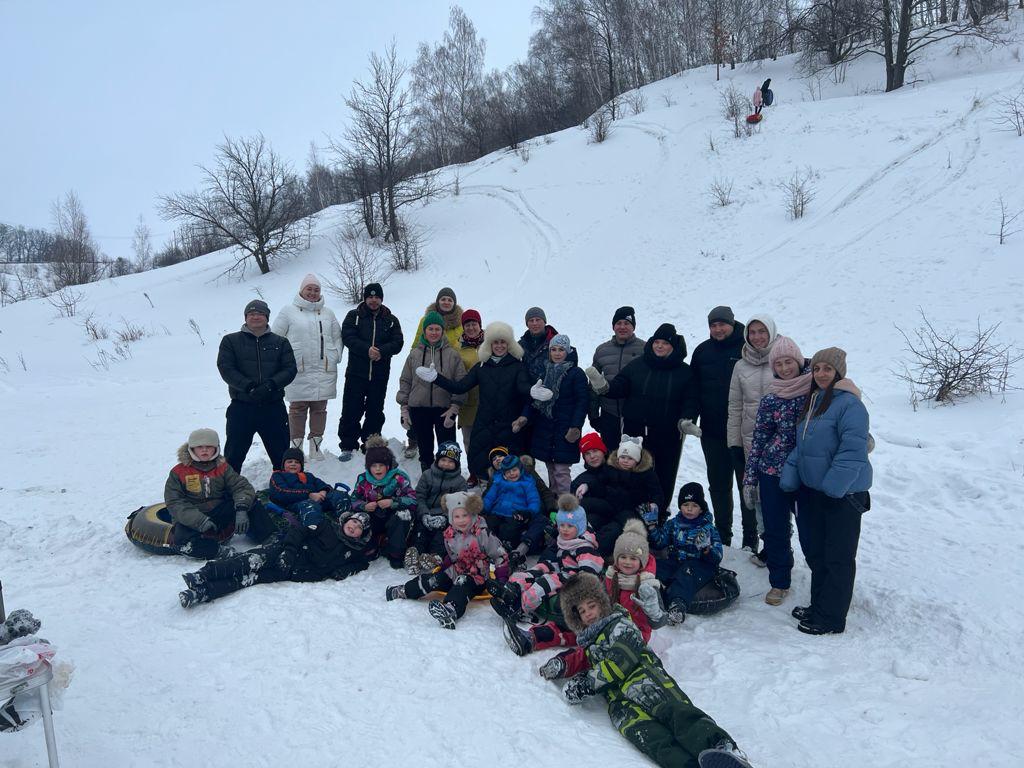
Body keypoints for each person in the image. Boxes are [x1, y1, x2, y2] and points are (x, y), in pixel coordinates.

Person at [542, 572, 754, 768]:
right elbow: (579, 659)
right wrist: (562, 666)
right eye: (582, 611)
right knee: (655, 742)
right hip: (621, 705)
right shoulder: (589, 645)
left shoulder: (620, 624)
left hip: (648, 682)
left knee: (679, 716)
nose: (588, 613)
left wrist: (588, 683)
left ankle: (722, 748)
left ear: (603, 603)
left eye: (591, 606)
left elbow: (621, 658)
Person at [781, 347, 872, 635]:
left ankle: (831, 617)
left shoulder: (850, 405)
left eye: (827, 369)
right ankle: (819, 605)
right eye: (817, 368)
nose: (821, 374)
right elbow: (804, 446)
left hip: (842, 495)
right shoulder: (815, 401)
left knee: (838, 556)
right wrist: (791, 473)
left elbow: (853, 451)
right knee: (817, 553)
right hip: (814, 491)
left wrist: (833, 488)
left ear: (838, 373)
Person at [501, 518, 665, 657]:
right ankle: (531, 638)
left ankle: (565, 664)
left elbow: (659, 621)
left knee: (590, 647)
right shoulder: (612, 576)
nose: (627, 562)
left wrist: (654, 611)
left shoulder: (647, 584)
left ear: (642, 561)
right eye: (623, 557)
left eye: (633, 558)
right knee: (574, 625)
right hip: (608, 622)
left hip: (632, 635)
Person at [586, 323, 698, 509]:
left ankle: (660, 513)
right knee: (632, 470)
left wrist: (687, 419)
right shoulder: (638, 365)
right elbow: (621, 385)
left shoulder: (684, 372)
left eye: (664, 343)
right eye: (657, 342)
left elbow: (691, 399)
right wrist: (604, 386)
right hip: (635, 431)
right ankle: (630, 509)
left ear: (673, 346)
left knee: (664, 473)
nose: (659, 346)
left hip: (668, 433)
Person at [178, 510, 372, 607]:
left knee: (249, 579)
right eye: (353, 522)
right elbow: (297, 531)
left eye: (359, 528)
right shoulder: (326, 527)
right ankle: (203, 575)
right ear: (346, 520)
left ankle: (202, 593)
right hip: (284, 553)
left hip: (294, 572)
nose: (354, 527)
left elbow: (362, 563)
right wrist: (287, 551)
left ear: (360, 535)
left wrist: (345, 570)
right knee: (248, 562)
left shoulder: (353, 551)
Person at [415, 321, 533, 479]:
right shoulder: (481, 367)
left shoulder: (518, 366)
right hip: (485, 422)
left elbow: (524, 388)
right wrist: (436, 378)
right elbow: (460, 387)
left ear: (509, 344)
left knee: (511, 464)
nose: (499, 346)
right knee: (481, 461)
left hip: (509, 423)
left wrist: (533, 391)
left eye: (503, 342)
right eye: (495, 342)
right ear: (489, 345)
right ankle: (486, 487)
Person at [743, 336, 811, 606]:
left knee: (809, 529)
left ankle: (824, 579)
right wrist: (750, 478)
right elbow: (759, 437)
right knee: (775, 528)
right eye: (779, 363)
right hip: (772, 471)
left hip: (807, 473)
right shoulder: (771, 397)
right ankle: (780, 581)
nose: (784, 368)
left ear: (799, 361)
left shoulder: (815, 391)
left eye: (789, 362)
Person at [385, 492, 508, 629]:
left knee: (462, 585)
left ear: (472, 514)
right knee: (433, 579)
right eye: (456, 516)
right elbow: (452, 555)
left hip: (476, 576)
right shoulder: (450, 534)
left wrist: (501, 581)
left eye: (465, 515)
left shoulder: (483, 534)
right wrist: (443, 570)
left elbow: (500, 556)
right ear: (451, 517)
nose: (461, 520)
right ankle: (405, 590)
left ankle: (450, 610)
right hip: (456, 569)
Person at [689, 306, 753, 549]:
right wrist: (689, 417)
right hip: (713, 431)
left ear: (732, 323)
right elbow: (693, 389)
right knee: (718, 484)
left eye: (722, 324)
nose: (717, 329)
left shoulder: (747, 348)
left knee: (746, 485)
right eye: (713, 325)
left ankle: (750, 538)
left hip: (743, 432)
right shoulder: (703, 351)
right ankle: (724, 534)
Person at [488, 494, 603, 621]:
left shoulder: (584, 547)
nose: (564, 530)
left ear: (580, 527)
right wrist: (544, 568)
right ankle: (511, 591)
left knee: (543, 583)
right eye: (562, 525)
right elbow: (560, 561)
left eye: (570, 526)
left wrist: (561, 580)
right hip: (562, 570)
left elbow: (588, 576)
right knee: (535, 570)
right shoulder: (566, 540)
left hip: (574, 579)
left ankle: (518, 608)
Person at [164, 428, 275, 559]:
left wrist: (241, 509)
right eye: (200, 447)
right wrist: (199, 521)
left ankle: (269, 538)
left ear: (216, 448)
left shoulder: (223, 468)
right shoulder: (178, 472)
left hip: (218, 511)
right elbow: (174, 502)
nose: (204, 450)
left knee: (252, 504)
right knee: (182, 538)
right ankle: (216, 551)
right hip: (194, 516)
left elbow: (241, 487)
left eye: (209, 447)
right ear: (192, 449)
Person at [216, 299, 297, 473]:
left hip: (273, 406)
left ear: (267, 317)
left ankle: (287, 489)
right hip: (242, 407)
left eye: (260, 313)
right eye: (252, 314)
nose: (256, 317)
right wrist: (249, 387)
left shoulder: (280, 342)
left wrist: (270, 385)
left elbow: (290, 369)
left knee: (281, 455)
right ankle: (227, 492)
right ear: (245, 317)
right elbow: (226, 368)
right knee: (233, 455)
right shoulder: (230, 341)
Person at [272, 273, 343, 460]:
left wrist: (335, 355)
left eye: (316, 289)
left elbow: (337, 337)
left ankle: (316, 447)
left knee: (320, 407)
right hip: (297, 369)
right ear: (301, 290)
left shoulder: (328, 313)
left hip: (323, 369)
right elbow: (275, 339)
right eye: (309, 289)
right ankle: (296, 447)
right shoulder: (288, 311)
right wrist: (283, 362)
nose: (312, 293)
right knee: (297, 408)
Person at [726, 315, 778, 562]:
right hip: (749, 439)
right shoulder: (741, 365)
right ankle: (767, 544)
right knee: (755, 494)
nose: (757, 337)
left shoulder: (784, 359)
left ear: (771, 332)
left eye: (762, 331)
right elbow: (735, 406)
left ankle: (781, 546)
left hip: (779, 440)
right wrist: (734, 441)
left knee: (778, 496)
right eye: (752, 332)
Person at [513, 333, 588, 495]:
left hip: (565, 428)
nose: (557, 353)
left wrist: (575, 426)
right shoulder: (545, 372)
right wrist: (524, 416)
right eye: (553, 349)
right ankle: (554, 501)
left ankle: (566, 504)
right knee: (551, 467)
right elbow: (535, 398)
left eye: (561, 349)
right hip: (546, 427)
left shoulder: (576, 374)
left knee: (561, 470)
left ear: (567, 351)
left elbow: (582, 402)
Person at [338, 283, 404, 462]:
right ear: (365, 298)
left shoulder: (390, 319)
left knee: (375, 410)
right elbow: (348, 337)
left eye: (377, 297)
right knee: (351, 408)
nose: (373, 300)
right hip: (356, 373)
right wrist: (366, 350)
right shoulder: (354, 316)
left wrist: (381, 351)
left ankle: (371, 443)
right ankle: (348, 445)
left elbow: (398, 342)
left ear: (381, 299)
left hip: (379, 375)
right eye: (370, 297)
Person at [396, 310, 467, 471]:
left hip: (444, 410)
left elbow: (461, 382)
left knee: (448, 450)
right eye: (431, 329)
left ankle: (450, 481)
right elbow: (405, 381)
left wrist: (455, 407)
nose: (434, 332)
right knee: (425, 450)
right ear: (425, 330)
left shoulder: (452, 355)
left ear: (442, 331)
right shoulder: (414, 354)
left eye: (437, 329)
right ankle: (427, 480)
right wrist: (404, 408)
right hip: (419, 409)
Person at [648, 483, 724, 626]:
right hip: (676, 560)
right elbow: (660, 542)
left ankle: (677, 605)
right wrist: (652, 526)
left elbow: (718, 556)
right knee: (655, 566)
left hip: (699, 565)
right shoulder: (673, 524)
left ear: (701, 508)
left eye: (694, 505)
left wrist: (707, 550)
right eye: (686, 504)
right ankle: (653, 594)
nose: (689, 509)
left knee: (686, 575)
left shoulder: (708, 528)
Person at [350, 435, 417, 568]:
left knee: (402, 515)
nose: (378, 469)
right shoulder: (363, 479)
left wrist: (394, 502)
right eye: (374, 466)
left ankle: (396, 553)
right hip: (374, 516)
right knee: (359, 520)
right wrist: (364, 505)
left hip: (393, 518)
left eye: (381, 465)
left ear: (388, 466)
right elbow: (353, 500)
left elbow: (413, 500)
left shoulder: (399, 478)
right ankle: (374, 544)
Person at [405, 441, 468, 573]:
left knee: (443, 535)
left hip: (445, 518)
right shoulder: (427, 475)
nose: (446, 464)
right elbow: (419, 496)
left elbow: (460, 505)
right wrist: (424, 514)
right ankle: (414, 554)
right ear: (437, 459)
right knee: (420, 531)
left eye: (451, 461)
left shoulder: (460, 482)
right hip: (426, 513)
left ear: (456, 464)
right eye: (443, 460)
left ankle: (435, 556)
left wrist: (445, 518)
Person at [590, 306, 645, 451]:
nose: (622, 327)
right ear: (613, 326)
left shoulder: (645, 349)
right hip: (609, 414)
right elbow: (593, 385)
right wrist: (594, 415)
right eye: (618, 323)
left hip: (636, 416)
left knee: (634, 459)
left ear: (633, 326)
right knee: (610, 458)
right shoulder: (601, 350)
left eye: (627, 323)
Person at [482, 454, 545, 560]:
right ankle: (487, 547)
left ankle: (508, 549)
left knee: (508, 531)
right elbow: (489, 497)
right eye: (508, 472)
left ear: (520, 468)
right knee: (487, 527)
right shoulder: (498, 481)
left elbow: (534, 501)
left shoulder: (527, 483)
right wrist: (483, 507)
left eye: (514, 470)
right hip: (497, 513)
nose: (512, 474)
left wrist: (528, 512)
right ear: (503, 473)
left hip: (515, 515)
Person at [267, 447, 350, 526]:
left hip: (318, 500)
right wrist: (309, 495)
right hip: (296, 504)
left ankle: (346, 520)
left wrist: (323, 491)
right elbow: (281, 493)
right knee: (310, 507)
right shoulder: (278, 475)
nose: (293, 464)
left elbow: (322, 484)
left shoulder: (308, 475)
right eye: (290, 461)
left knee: (340, 496)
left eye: (297, 462)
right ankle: (314, 529)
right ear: (283, 464)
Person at [456, 309, 485, 486]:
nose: (471, 327)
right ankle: (474, 471)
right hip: (468, 402)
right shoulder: (458, 349)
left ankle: (488, 471)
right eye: (467, 325)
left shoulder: (491, 343)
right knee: (469, 441)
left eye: (474, 324)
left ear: (479, 325)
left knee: (488, 438)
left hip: (489, 400)